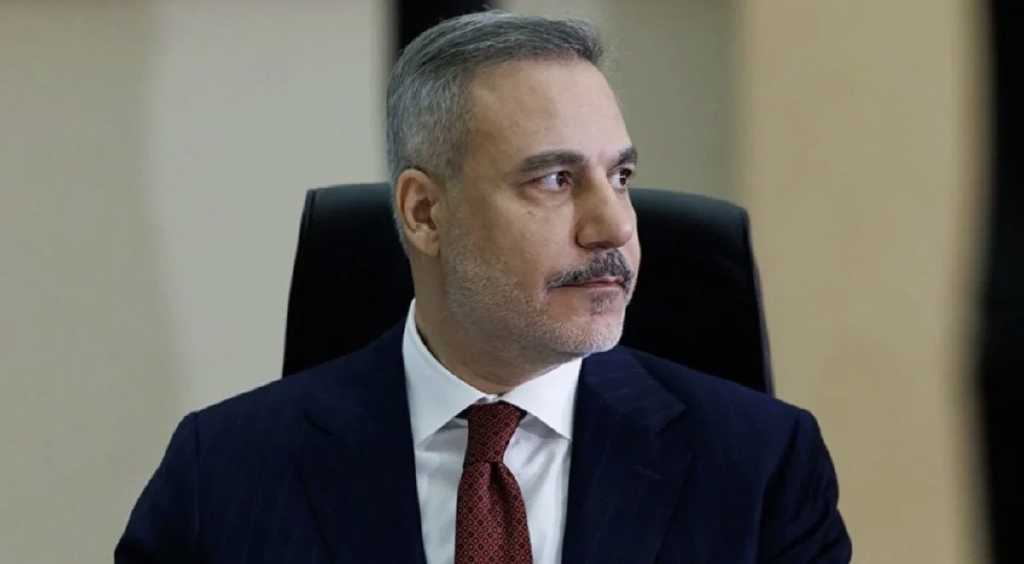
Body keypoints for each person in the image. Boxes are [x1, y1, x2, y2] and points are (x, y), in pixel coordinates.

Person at [116, 11, 851, 564]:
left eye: (620, 176)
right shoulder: (225, 473)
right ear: (424, 213)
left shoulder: (761, 469)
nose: (614, 226)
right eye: (555, 180)